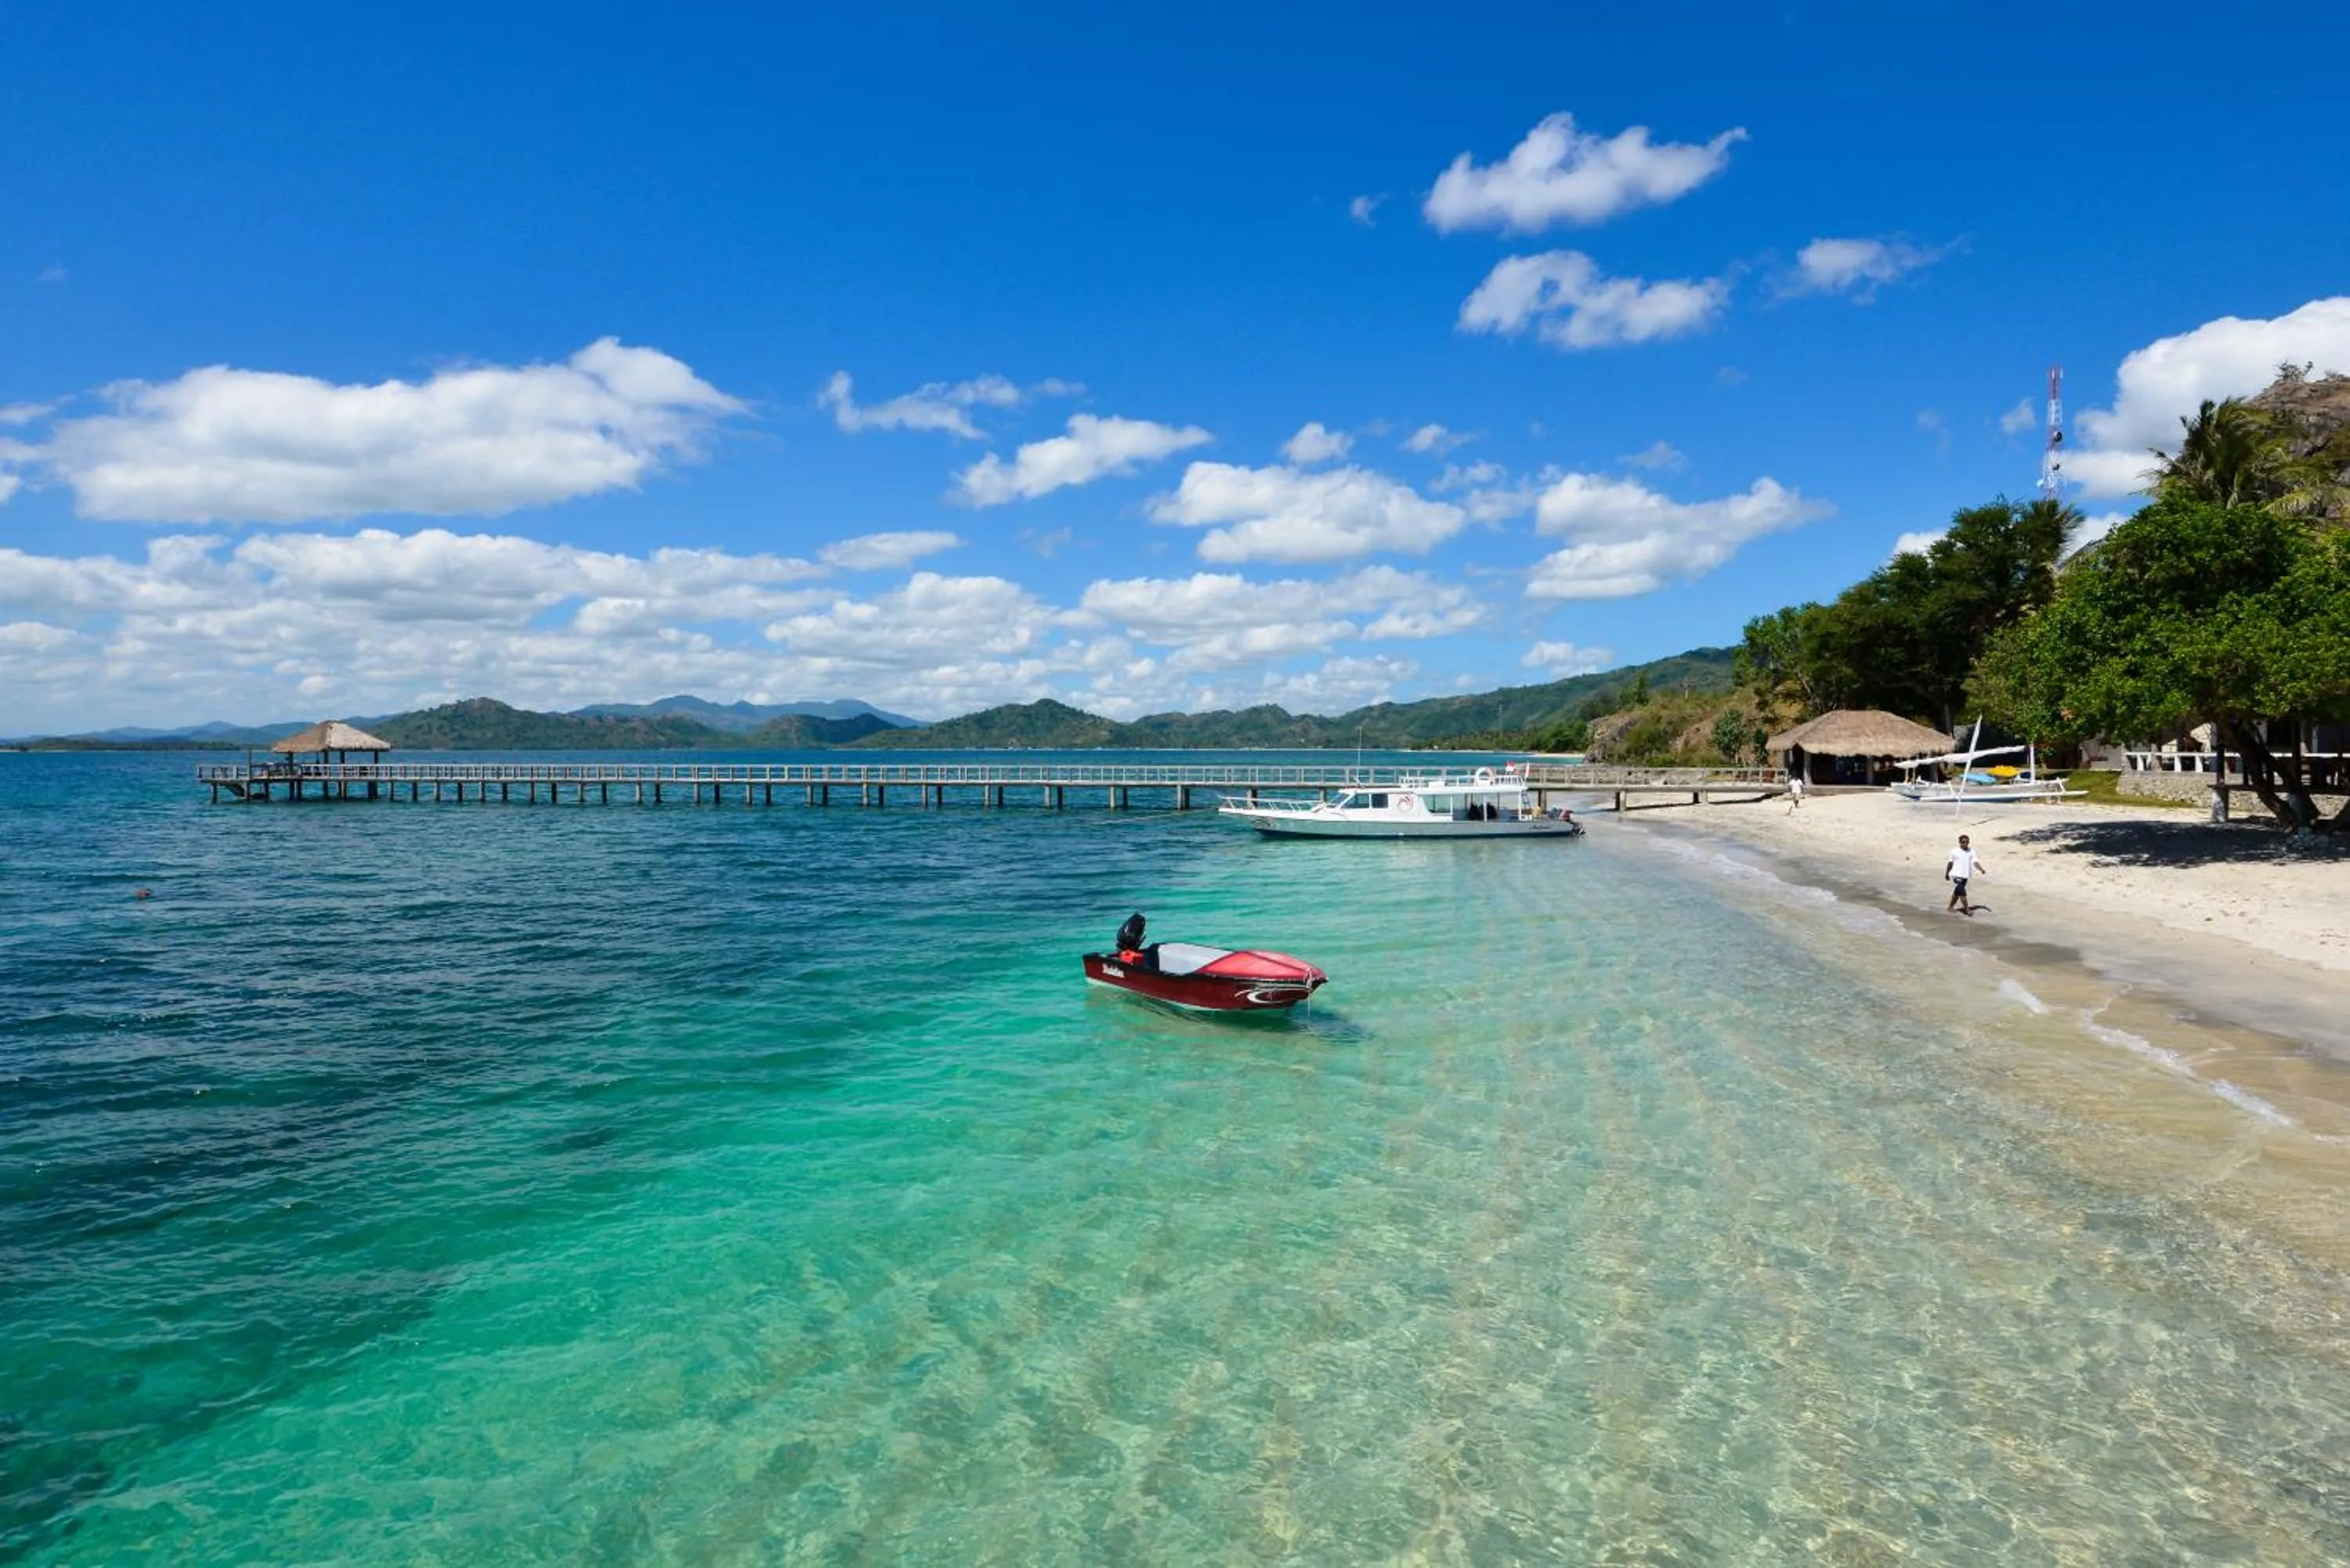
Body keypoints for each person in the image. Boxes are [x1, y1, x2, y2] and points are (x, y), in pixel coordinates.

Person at [1945, 835, 1982, 916]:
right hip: (1956, 875)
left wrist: (1981, 869)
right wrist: (1947, 873)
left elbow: (1975, 862)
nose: (1965, 844)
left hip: (1965, 875)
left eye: (1967, 842)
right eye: (1963, 842)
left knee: (1957, 892)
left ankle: (1950, 907)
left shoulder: (1971, 851)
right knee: (1962, 892)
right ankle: (1967, 909)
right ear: (1960, 842)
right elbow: (1950, 863)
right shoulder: (1954, 851)